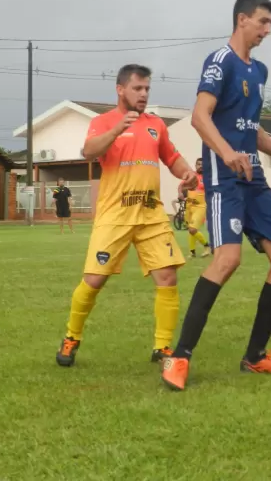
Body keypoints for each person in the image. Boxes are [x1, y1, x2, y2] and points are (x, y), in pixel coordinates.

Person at [161, 0, 271, 392]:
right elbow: (199, 116)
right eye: (262, 22)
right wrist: (227, 154)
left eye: (270, 25)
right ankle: (179, 357)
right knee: (227, 260)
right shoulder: (220, 62)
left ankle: (256, 356)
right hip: (224, 177)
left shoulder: (259, 71)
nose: (266, 31)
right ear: (242, 19)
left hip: (254, 177)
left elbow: (252, 129)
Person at [55, 64, 197, 368]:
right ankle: (71, 337)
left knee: (168, 276)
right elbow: (89, 151)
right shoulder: (103, 122)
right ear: (120, 89)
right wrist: (119, 128)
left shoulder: (155, 124)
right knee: (94, 280)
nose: (144, 94)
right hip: (115, 215)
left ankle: (162, 347)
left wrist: (187, 173)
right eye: (138, 88)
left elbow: (170, 157)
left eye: (147, 89)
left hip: (151, 214)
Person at [180, 158, 211, 258]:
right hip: (189, 206)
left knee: (192, 229)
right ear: (195, 165)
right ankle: (192, 252)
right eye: (198, 164)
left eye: (202, 164)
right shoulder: (191, 176)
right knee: (190, 229)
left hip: (200, 207)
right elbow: (181, 186)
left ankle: (207, 246)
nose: (200, 166)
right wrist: (180, 193)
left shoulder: (208, 177)